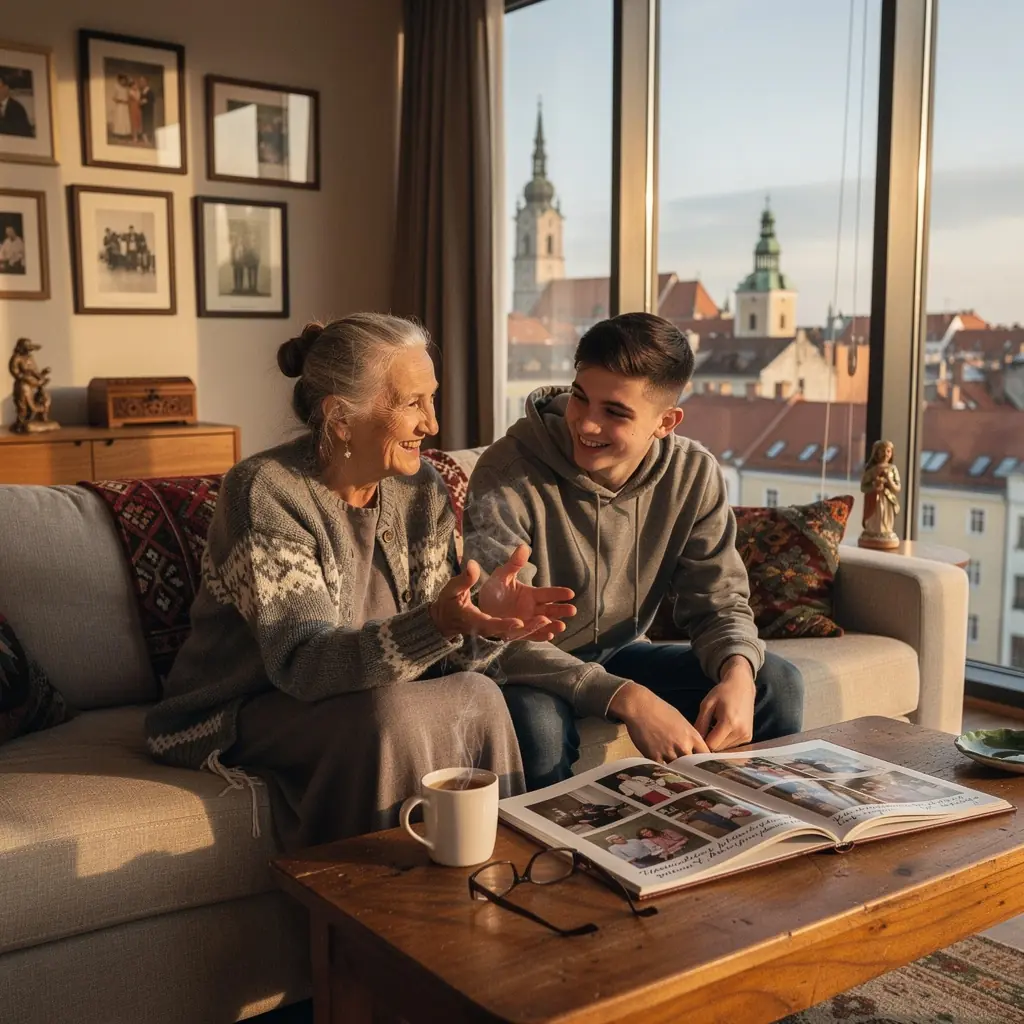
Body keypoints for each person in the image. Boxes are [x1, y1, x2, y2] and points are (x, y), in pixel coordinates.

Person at [144, 313, 576, 850]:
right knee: (388, 714)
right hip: (243, 706)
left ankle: (490, 885)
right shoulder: (264, 492)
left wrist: (482, 621)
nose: (433, 424)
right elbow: (302, 666)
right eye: (412, 403)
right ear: (342, 418)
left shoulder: (422, 489)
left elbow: (441, 663)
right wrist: (436, 623)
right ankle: (368, 912)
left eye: (432, 398)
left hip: (364, 695)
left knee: (480, 693)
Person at [464, 312, 804, 790]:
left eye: (615, 412)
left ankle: (746, 835)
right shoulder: (506, 472)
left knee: (776, 684)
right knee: (536, 725)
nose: (586, 423)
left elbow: (719, 602)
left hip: (619, 651)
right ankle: (555, 857)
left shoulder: (693, 475)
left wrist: (738, 673)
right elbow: (495, 639)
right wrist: (630, 698)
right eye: (581, 397)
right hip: (532, 669)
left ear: (665, 422)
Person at [860, 439, 901, 546]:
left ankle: (885, 531)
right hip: (874, 499)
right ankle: (873, 532)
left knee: (885, 517)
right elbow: (863, 487)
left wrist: (889, 480)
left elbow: (897, 488)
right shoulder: (871, 470)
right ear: (876, 452)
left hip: (887, 500)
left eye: (888, 451)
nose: (885, 454)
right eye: (882, 451)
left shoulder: (892, 469)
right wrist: (874, 485)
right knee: (875, 516)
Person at [110, 74, 132, 139]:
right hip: (120, 106)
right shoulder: (116, 87)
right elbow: (114, 98)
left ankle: (125, 133)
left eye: (125, 80)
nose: (124, 82)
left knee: (125, 119)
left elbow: (128, 96)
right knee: (119, 118)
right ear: (119, 80)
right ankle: (118, 133)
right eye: (122, 80)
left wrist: (127, 101)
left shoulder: (126, 88)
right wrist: (121, 101)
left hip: (126, 106)